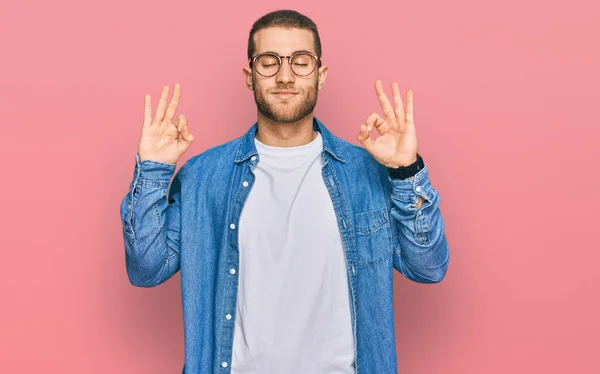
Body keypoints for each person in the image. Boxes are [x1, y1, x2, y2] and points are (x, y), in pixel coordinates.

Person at [120, 9, 450, 374]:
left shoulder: (366, 173)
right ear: (250, 76)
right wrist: (153, 169)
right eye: (269, 61)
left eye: (301, 61)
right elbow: (145, 269)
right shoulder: (203, 177)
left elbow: (428, 267)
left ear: (321, 75)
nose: (285, 75)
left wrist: (406, 171)